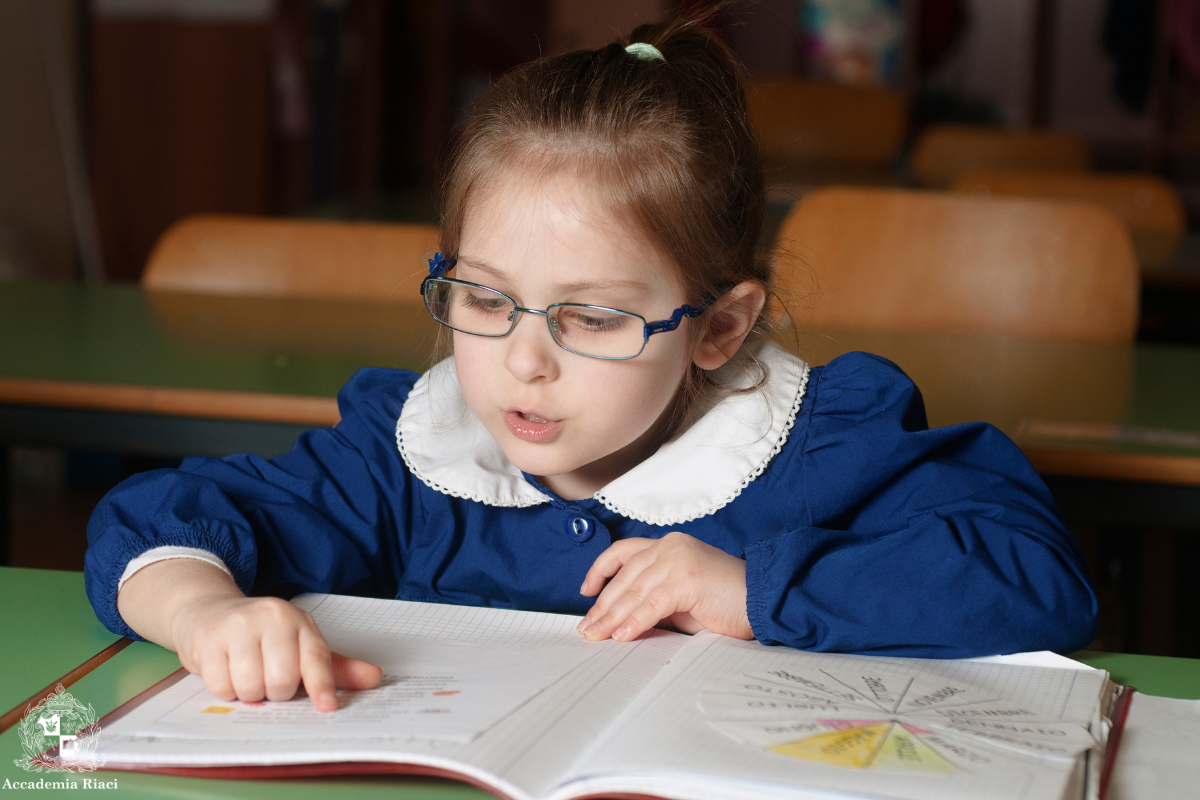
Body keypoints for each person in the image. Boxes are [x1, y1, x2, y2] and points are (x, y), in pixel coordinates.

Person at [85, 15, 1098, 714]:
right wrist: (205, 610)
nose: (524, 362)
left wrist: (751, 590)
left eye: (596, 318)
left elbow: (1030, 573)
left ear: (719, 328)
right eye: (482, 298)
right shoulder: (411, 459)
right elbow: (157, 517)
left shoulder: (816, 445)